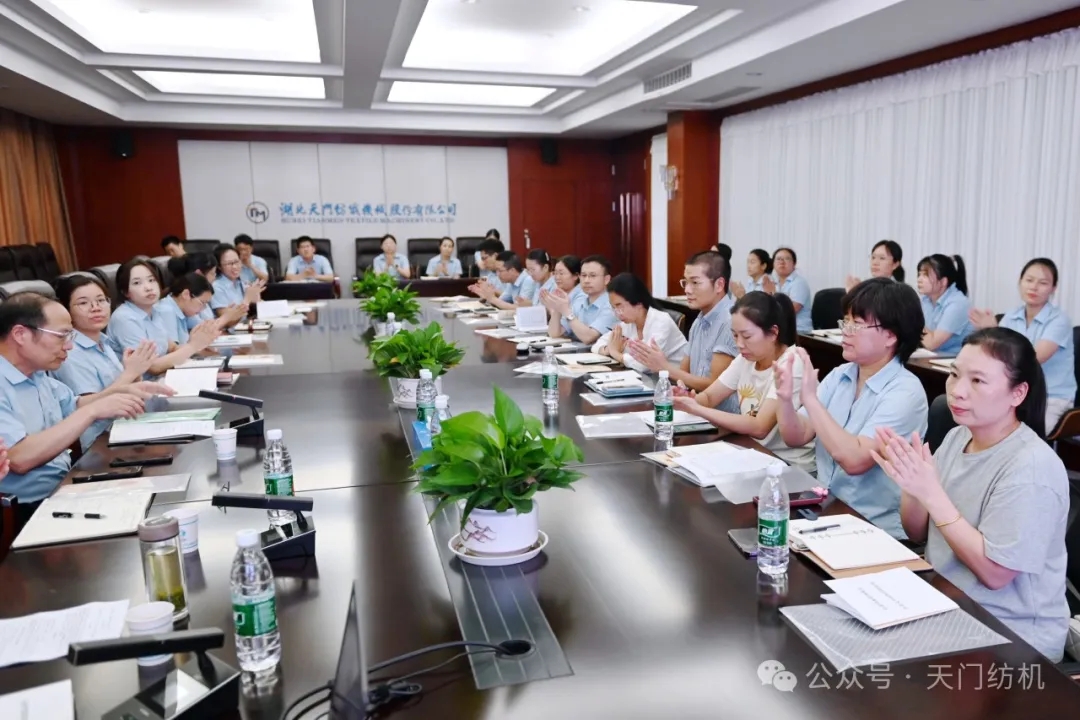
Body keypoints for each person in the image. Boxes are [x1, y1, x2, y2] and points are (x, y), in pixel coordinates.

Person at [871, 327, 1069, 661]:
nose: (957, 391)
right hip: (945, 605)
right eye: (954, 374)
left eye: (977, 381)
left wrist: (932, 494)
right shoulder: (957, 437)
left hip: (1011, 638)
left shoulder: (1031, 468)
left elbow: (995, 574)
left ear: (1018, 393)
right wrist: (913, 485)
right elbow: (916, 532)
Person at [774, 278, 928, 538]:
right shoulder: (841, 374)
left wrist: (810, 399)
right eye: (845, 322)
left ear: (890, 335)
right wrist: (785, 399)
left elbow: (854, 460)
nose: (845, 331)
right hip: (825, 511)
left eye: (856, 324)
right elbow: (796, 436)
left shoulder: (906, 392)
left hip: (874, 529)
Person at [0, 292, 147, 521]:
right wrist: (92, 411)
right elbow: (19, 458)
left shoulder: (36, 374)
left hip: (65, 487)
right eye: (61, 336)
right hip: (27, 510)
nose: (69, 346)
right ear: (20, 334)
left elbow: (75, 405)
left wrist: (125, 390)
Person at [672, 292, 816, 473]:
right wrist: (687, 400)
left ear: (773, 333)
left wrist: (697, 409)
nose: (739, 344)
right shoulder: (746, 358)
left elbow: (760, 427)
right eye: (734, 336)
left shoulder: (792, 363)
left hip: (789, 466)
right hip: (753, 453)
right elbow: (709, 397)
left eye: (746, 337)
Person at [52, 276, 175, 451]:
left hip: (128, 426)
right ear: (66, 311)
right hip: (101, 442)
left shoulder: (103, 341)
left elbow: (124, 391)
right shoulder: (70, 353)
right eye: (83, 303)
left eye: (101, 300)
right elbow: (93, 407)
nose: (96, 308)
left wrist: (136, 374)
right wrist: (130, 373)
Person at [625, 252, 740, 413]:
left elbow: (715, 385)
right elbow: (684, 373)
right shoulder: (699, 320)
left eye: (695, 283)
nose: (687, 290)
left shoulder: (731, 321)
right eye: (685, 282)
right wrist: (679, 385)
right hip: (696, 409)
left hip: (722, 416)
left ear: (719, 285)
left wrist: (664, 367)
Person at [969, 258, 1075, 430]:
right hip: (1014, 393)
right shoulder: (1011, 316)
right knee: (977, 418)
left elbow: (1033, 359)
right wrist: (989, 334)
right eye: (1029, 280)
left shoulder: (1059, 320)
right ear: (1020, 282)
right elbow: (997, 358)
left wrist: (994, 331)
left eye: (1043, 283)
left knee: (1015, 433)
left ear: (1053, 288)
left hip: (1051, 397)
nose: (1034, 287)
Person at [108, 258, 219, 375]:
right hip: (144, 384)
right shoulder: (124, 318)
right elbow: (152, 367)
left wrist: (202, 350)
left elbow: (172, 348)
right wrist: (193, 346)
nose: (148, 287)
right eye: (137, 283)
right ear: (125, 292)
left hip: (164, 378)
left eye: (151, 280)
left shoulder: (154, 311)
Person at [594, 273, 687, 372]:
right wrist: (608, 349)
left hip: (672, 378)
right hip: (646, 377)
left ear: (638, 302)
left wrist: (615, 353)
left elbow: (646, 364)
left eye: (619, 306)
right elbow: (597, 345)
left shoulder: (661, 321)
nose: (617, 313)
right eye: (613, 307)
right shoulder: (628, 323)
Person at [543, 255, 617, 345]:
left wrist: (566, 312)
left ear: (606, 279)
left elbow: (588, 338)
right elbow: (554, 334)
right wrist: (558, 308)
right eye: (584, 275)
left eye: (593, 276)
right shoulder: (580, 302)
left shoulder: (612, 305)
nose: (586, 280)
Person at [917, 253, 972, 354]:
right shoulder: (925, 300)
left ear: (943, 282)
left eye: (925, 275)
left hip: (953, 360)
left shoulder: (957, 304)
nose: (919, 279)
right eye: (919, 274)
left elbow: (931, 344)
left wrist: (911, 320)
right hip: (930, 357)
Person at [158, 273, 230, 344]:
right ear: (186, 294)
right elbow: (173, 349)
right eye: (202, 303)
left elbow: (205, 328)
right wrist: (228, 316)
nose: (203, 308)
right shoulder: (166, 311)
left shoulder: (184, 310)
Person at [211, 244, 264, 326]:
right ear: (219, 267)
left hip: (245, 327)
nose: (235, 267)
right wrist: (247, 299)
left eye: (236, 261)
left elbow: (256, 304)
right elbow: (227, 323)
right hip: (230, 332)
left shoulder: (240, 281)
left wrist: (257, 299)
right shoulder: (216, 287)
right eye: (229, 264)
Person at [762, 247, 812, 334]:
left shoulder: (799, 283)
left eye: (787, 259)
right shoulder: (773, 282)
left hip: (799, 331)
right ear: (773, 263)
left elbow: (790, 311)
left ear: (794, 263)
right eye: (778, 259)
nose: (782, 262)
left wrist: (773, 294)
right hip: (780, 330)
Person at [470, 251, 535, 310]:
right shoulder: (511, 282)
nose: (497, 274)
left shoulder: (528, 280)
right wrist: (487, 296)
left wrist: (493, 299)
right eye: (496, 270)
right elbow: (502, 302)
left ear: (512, 270)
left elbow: (520, 309)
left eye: (500, 270)